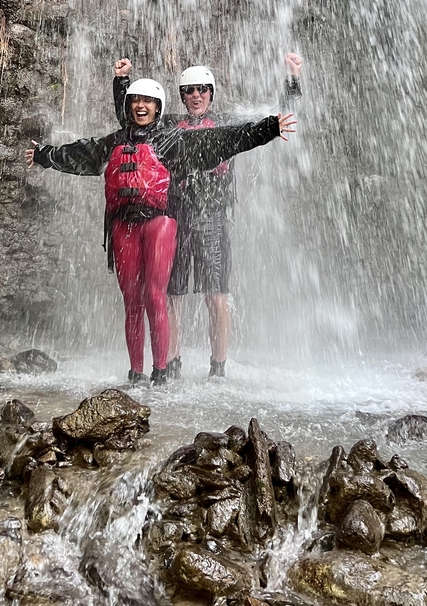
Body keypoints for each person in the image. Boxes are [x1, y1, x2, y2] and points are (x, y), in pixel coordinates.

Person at [26, 77, 296, 386]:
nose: (140, 106)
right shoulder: (115, 140)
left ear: (158, 107)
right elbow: (81, 154)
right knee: (132, 299)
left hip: (161, 220)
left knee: (156, 295)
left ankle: (162, 372)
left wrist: (269, 128)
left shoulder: (173, 140)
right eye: (134, 101)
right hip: (124, 223)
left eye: (147, 101)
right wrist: (44, 155)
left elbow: (227, 139)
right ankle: (136, 373)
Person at [112, 55, 303, 379]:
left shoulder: (227, 124)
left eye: (202, 89)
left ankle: (218, 369)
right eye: (189, 91)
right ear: (182, 95)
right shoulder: (168, 126)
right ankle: (170, 364)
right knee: (170, 294)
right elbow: (131, 122)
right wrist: (122, 83)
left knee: (216, 295)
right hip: (173, 217)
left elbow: (269, 118)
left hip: (212, 217)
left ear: (211, 93)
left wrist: (292, 80)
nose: (196, 95)